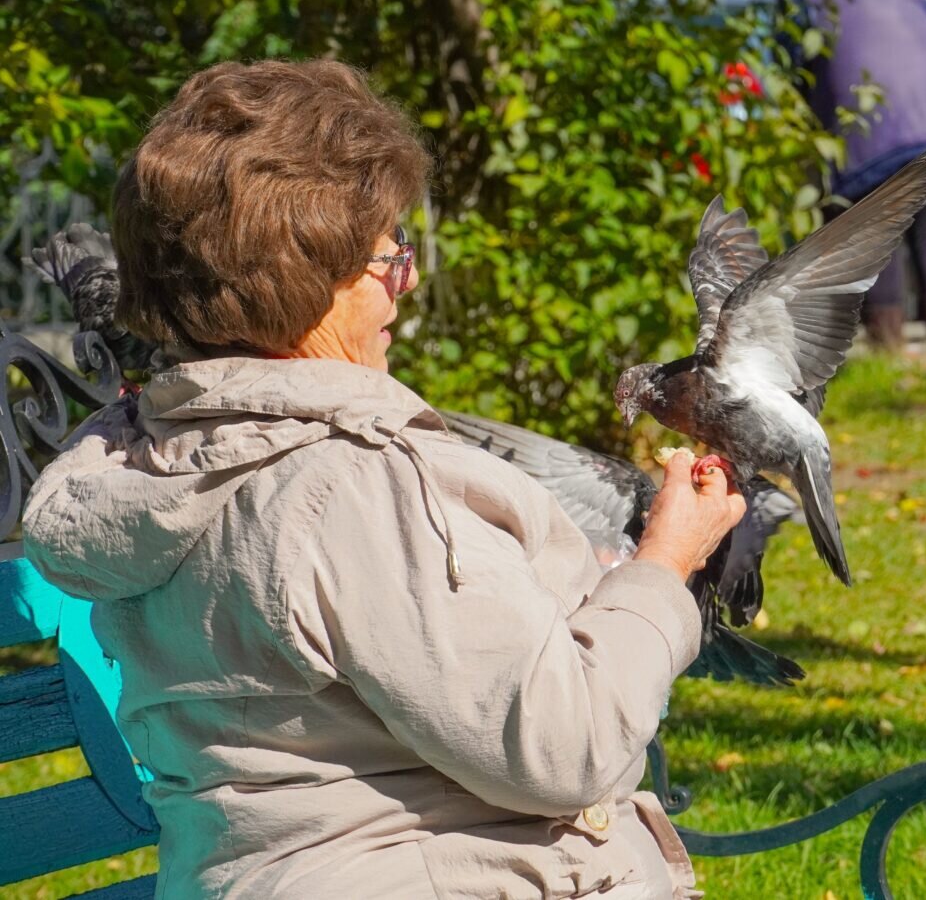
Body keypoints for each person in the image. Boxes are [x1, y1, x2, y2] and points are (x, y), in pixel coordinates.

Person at [22, 60, 745, 899]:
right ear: (310, 285)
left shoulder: (156, 462)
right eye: (387, 256)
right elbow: (563, 746)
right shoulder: (340, 485)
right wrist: (665, 563)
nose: (404, 281)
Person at [805, 0, 926, 351]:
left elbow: (797, 62)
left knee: (879, 236)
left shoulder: (814, 7)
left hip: (874, 131)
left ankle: (889, 350)